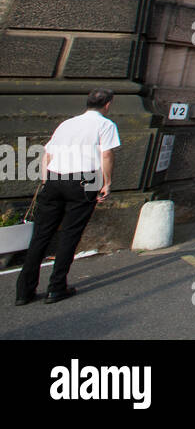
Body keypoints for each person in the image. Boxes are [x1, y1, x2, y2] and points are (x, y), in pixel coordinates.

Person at [15, 88, 121, 306]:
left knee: (41, 235)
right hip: (85, 178)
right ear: (108, 104)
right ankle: (56, 288)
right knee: (70, 235)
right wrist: (106, 183)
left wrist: (46, 181)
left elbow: (48, 153)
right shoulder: (105, 125)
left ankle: (23, 291)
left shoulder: (67, 124)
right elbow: (107, 154)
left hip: (54, 177)